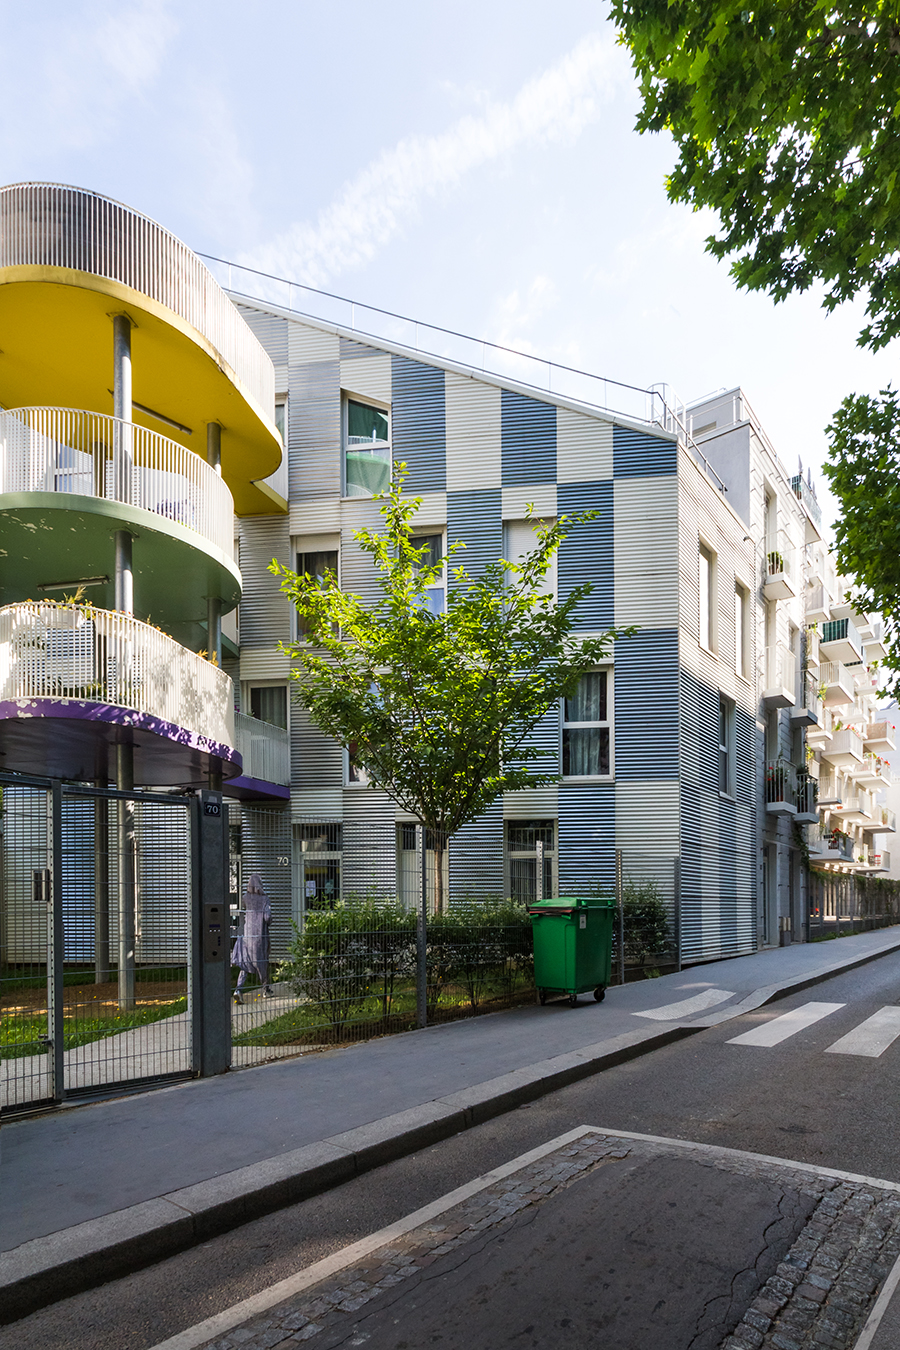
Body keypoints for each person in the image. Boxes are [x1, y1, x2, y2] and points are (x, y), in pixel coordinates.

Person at [232, 874, 274, 1003]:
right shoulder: (264, 899)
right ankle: (266, 989)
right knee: (261, 962)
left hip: (246, 935)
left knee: (245, 963)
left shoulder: (245, 898)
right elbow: (268, 918)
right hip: (260, 936)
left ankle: (238, 990)